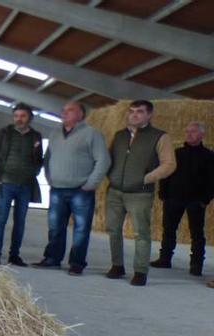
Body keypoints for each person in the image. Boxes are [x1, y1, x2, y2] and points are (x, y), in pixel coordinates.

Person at [33, 101, 110, 275]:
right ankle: (52, 258)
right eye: (63, 110)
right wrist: (49, 178)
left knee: (81, 229)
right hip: (57, 189)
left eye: (70, 110)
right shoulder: (54, 134)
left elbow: (103, 160)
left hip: (81, 190)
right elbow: (47, 159)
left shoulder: (92, 134)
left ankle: (77, 262)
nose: (65, 113)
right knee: (55, 227)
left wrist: (91, 184)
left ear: (81, 114)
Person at [104, 100, 176, 286]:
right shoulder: (119, 136)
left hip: (140, 193)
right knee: (113, 230)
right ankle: (117, 265)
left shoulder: (160, 136)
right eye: (132, 111)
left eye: (140, 112)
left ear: (149, 115)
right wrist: (109, 176)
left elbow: (169, 164)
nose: (134, 115)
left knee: (141, 233)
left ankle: (140, 271)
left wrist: (146, 178)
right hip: (115, 191)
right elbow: (109, 158)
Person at [150, 122, 214, 276]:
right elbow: (166, 173)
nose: (189, 134)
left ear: (201, 135)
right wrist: (163, 193)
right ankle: (165, 259)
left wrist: (205, 200)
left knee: (197, 233)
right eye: (187, 131)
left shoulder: (209, 156)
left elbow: (212, 181)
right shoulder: (176, 153)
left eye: (193, 131)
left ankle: (196, 264)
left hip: (196, 201)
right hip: (174, 198)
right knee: (169, 230)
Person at [0, 102, 44, 266]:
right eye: (16, 116)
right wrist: (1, 166)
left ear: (30, 118)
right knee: (1, 219)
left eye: (23, 116)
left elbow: (39, 158)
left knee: (20, 221)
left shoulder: (36, 136)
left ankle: (14, 255)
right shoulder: (3, 134)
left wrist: (35, 170)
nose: (19, 119)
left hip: (25, 184)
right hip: (6, 183)